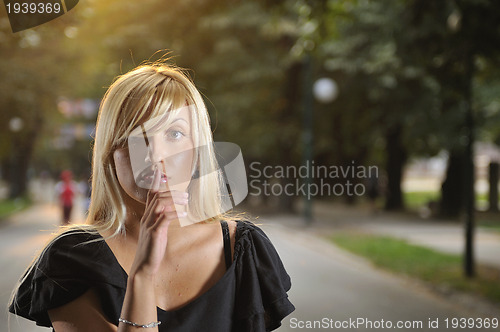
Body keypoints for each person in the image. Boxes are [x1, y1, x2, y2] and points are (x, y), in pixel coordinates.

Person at [9, 63, 295, 332]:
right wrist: (143, 274)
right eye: (137, 136)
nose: (156, 156)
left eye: (174, 133)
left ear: (198, 150)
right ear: (110, 153)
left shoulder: (244, 249)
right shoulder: (71, 258)